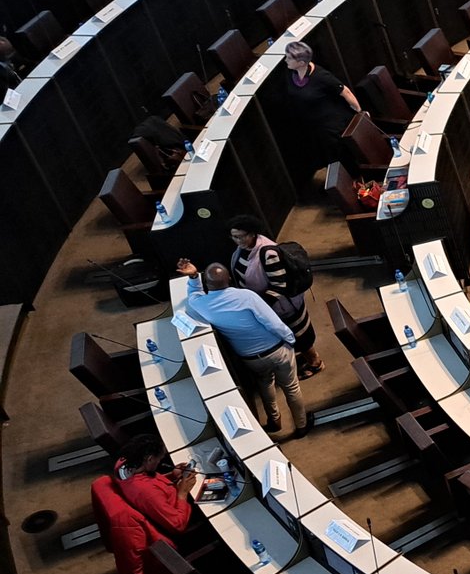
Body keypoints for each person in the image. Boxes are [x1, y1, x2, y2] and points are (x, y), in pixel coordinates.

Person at [176, 261, 307, 434]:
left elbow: (193, 294)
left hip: (250, 358)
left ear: (206, 283)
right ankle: (301, 426)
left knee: (264, 384)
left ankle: (274, 420)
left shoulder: (202, 304)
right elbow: (273, 323)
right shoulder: (246, 296)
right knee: (291, 387)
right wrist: (290, 339)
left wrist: (194, 277)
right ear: (229, 279)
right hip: (276, 350)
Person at [230, 215, 320, 377]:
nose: (238, 240)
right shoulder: (243, 250)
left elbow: (279, 285)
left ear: (252, 233)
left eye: (241, 236)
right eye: (234, 237)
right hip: (268, 306)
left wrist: (261, 306)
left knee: (300, 335)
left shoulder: (268, 253)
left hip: (282, 306)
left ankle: (315, 363)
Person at [277, 40, 364, 159]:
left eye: (289, 58)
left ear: (301, 63)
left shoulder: (321, 76)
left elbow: (345, 91)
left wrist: (360, 113)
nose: (285, 60)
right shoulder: (291, 72)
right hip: (315, 124)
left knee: (342, 154)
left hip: (332, 125)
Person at [111, 436, 201, 540]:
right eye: (159, 460)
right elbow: (178, 525)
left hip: (171, 497)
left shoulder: (123, 464)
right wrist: (183, 493)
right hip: (185, 515)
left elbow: (150, 482)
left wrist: (172, 475)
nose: (159, 463)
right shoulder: (147, 493)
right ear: (150, 459)